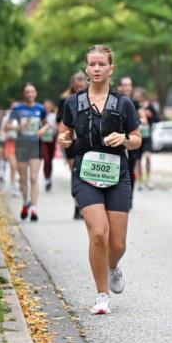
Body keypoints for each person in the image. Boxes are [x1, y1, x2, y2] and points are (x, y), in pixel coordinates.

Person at [57, 45, 142, 315]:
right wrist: (64, 139)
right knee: (98, 234)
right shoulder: (74, 103)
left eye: (101, 64)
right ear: (86, 68)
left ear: (110, 69)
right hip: (86, 174)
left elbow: (137, 138)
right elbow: (65, 132)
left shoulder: (124, 103)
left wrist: (125, 139)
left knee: (117, 245)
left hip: (118, 174)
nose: (96, 69)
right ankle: (101, 295)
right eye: (91, 64)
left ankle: (113, 266)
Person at [11, 83, 48, 221]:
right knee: (23, 178)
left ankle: (34, 208)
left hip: (35, 144)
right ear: (23, 94)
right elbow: (8, 126)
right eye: (27, 92)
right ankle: (25, 202)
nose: (30, 94)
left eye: (32, 92)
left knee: (33, 177)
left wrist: (43, 130)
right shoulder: (18, 108)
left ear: (35, 93)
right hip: (21, 145)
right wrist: (19, 126)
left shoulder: (40, 108)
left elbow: (46, 124)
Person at [58, 71, 89, 220]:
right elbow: (59, 122)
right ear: (73, 84)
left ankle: (86, 204)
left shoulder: (92, 98)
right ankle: (78, 205)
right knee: (76, 173)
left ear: (86, 83)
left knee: (86, 173)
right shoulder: (66, 100)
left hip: (87, 141)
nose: (79, 84)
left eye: (82, 81)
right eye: (76, 82)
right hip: (72, 142)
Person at [133, 88, 159, 190]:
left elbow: (157, 118)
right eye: (136, 96)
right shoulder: (134, 105)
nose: (137, 98)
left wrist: (150, 115)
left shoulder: (149, 106)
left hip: (147, 136)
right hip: (138, 135)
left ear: (143, 96)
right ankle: (140, 181)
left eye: (139, 96)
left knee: (148, 157)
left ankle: (148, 180)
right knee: (138, 161)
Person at [118, 77, 140, 187]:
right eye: (125, 85)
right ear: (119, 87)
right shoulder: (115, 101)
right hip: (118, 141)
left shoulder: (135, 103)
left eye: (129, 85)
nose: (127, 87)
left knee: (131, 170)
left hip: (132, 139)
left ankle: (129, 199)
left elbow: (142, 118)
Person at [40, 100, 58, 191]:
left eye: (48, 106)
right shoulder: (41, 116)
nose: (46, 108)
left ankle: (49, 177)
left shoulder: (55, 116)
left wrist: (52, 127)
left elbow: (58, 127)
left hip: (52, 139)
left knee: (50, 160)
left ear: (52, 107)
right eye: (45, 106)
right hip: (43, 140)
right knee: (46, 160)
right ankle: (47, 179)